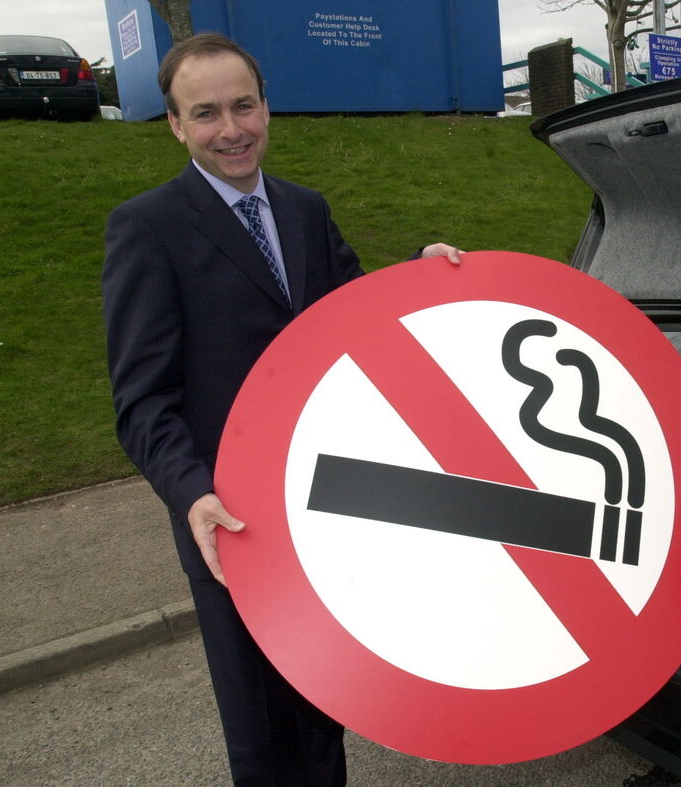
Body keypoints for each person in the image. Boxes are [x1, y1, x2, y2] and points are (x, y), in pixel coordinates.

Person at [102, 33, 461, 785]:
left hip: (326, 496)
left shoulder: (304, 209)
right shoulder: (147, 228)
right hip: (230, 520)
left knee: (322, 696)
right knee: (260, 728)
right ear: (174, 125)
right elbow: (141, 401)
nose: (230, 129)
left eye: (243, 106)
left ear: (267, 106)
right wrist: (192, 494)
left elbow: (351, 321)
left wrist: (419, 282)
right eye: (206, 113)